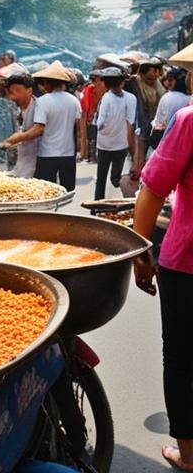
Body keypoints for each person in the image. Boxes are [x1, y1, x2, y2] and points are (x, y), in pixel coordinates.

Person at [132, 104, 193, 470]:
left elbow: (153, 189)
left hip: (187, 263)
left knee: (183, 359)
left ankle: (189, 455)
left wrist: (140, 253)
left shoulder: (189, 120)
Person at [12, 62, 82, 191]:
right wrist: (80, 150)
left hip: (47, 154)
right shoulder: (74, 100)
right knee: (67, 191)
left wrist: (17, 138)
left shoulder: (43, 101)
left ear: (48, 83)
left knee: (46, 191)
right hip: (68, 154)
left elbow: (38, 129)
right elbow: (78, 130)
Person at [92, 67, 137, 201]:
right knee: (115, 177)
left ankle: (96, 206)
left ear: (105, 83)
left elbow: (99, 123)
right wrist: (132, 148)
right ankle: (120, 196)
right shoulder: (131, 98)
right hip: (121, 145)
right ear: (122, 82)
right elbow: (131, 123)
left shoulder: (106, 98)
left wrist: (102, 128)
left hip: (104, 145)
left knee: (101, 179)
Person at [2, 74, 38, 178]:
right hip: (22, 164)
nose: (13, 97)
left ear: (29, 91)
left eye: (17, 91)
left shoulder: (39, 107)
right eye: (11, 92)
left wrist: (13, 140)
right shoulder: (17, 108)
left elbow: (37, 130)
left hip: (36, 165)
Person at [151, 67, 190, 148]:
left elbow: (159, 122)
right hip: (183, 141)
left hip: (166, 140)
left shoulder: (167, 97)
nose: (167, 83)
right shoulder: (189, 99)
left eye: (170, 80)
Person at [80, 70, 106, 162]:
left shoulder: (89, 88)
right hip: (94, 115)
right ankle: (93, 155)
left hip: (93, 115)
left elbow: (85, 104)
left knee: (93, 136)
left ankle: (92, 155)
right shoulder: (92, 89)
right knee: (94, 136)